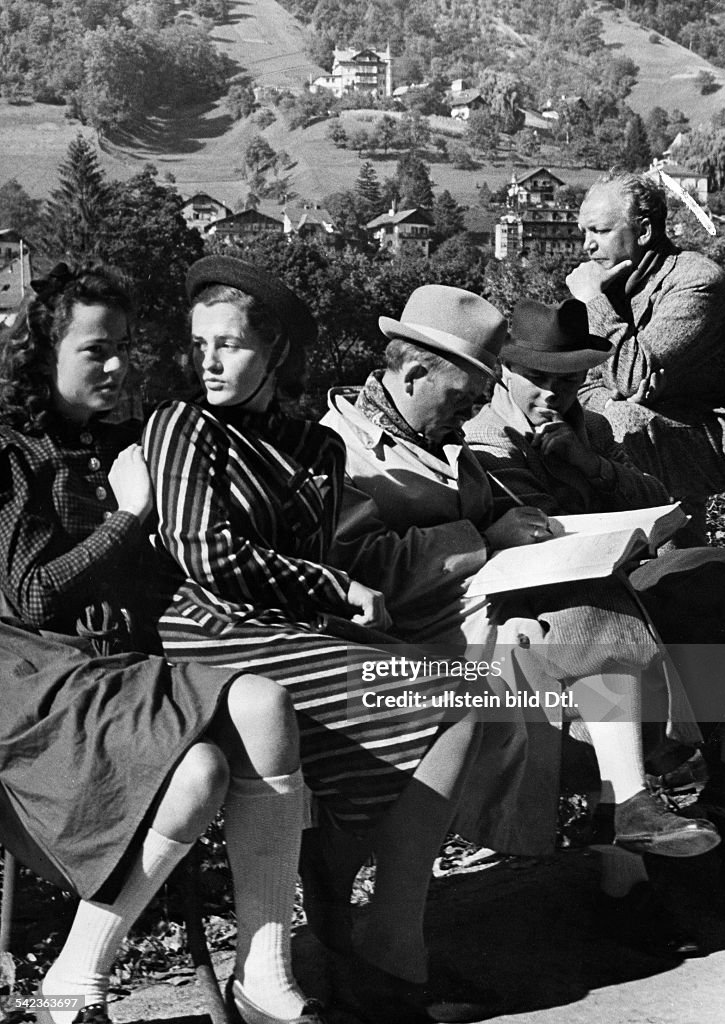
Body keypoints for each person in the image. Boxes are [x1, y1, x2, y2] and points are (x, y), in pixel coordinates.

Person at [140, 256, 493, 1024]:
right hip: (209, 638)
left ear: (275, 353)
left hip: (296, 637)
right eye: (198, 343)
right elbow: (208, 554)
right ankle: (386, 952)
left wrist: (345, 595)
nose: (208, 360)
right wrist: (336, 591)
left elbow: (328, 557)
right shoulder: (182, 425)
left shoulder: (317, 449)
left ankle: (372, 932)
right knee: (456, 699)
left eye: (229, 344)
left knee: (468, 694)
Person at [0, 262, 325, 1024]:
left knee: (258, 714)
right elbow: (34, 594)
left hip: (115, 669)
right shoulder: (13, 453)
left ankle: (260, 972)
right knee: (211, 757)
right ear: (43, 354)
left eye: (125, 348)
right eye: (94, 350)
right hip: (29, 674)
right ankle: (79, 974)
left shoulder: (131, 440)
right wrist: (128, 514)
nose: (117, 365)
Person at [321, 283, 717, 862]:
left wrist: (517, 519)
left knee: (619, 597)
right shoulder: (342, 452)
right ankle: (636, 798)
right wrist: (483, 538)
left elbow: (493, 505)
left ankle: (631, 809)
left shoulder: (439, 439)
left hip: (488, 621)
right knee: (586, 610)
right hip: (412, 641)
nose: (476, 411)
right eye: (466, 396)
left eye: (483, 397)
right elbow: (361, 565)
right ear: (411, 378)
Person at [465, 295, 725, 826]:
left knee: (723, 570)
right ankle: (640, 797)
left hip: (617, 571)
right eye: (539, 378)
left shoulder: (590, 427)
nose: (554, 395)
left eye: (569, 382)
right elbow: (538, 535)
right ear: (507, 371)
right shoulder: (488, 439)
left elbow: (652, 493)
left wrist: (591, 467)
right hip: (547, 595)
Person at [566, 168, 725, 545]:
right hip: (657, 421)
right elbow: (579, 382)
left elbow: (629, 375)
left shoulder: (696, 281)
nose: (587, 245)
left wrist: (592, 304)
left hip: (723, 433)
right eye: (584, 233)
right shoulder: (610, 284)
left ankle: (661, 563)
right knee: (579, 421)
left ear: (643, 231)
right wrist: (610, 398)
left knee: (622, 424)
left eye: (600, 231)